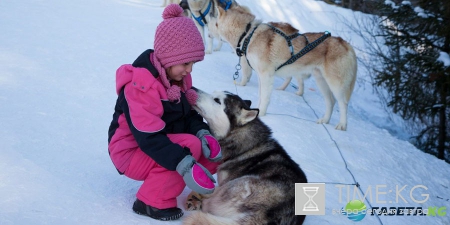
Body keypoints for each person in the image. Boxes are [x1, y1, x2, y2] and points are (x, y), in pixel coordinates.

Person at [107, 4, 222, 221]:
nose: (189, 70)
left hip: (156, 143)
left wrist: (203, 133)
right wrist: (185, 162)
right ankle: (150, 202)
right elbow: (149, 138)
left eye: (193, 64)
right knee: (188, 147)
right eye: (185, 63)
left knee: (209, 150)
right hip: (130, 151)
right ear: (169, 57)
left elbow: (187, 116)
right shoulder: (140, 87)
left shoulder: (177, 78)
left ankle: (194, 188)